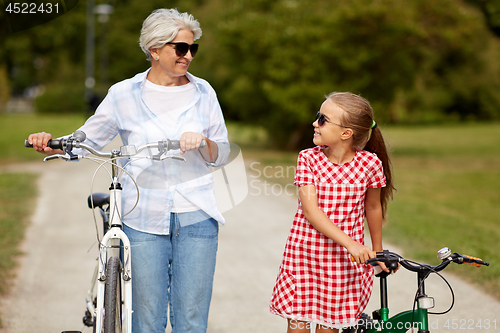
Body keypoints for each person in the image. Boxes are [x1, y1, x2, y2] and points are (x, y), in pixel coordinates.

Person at [27, 8, 230, 333]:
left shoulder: (204, 92)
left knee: (191, 321)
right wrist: (51, 143)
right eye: (181, 48)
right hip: (142, 216)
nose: (188, 55)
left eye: (193, 48)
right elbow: (86, 138)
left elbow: (222, 153)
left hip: (197, 215)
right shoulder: (123, 95)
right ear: (154, 49)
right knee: (146, 320)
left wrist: (204, 141)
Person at [269, 92, 396, 333]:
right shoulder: (308, 159)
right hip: (304, 257)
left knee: (329, 329)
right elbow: (311, 211)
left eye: (323, 119)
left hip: (342, 263)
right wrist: (352, 244)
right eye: (318, 117)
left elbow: (373, 207)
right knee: (298, 327)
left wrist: (377, 251)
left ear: (346, 133)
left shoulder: (370, 164)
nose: (314, 123)